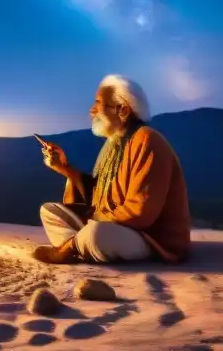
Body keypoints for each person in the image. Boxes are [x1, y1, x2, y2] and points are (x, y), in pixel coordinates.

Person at [32, 74, 191, 265]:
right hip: (113, 227)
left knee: (97, 234)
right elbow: (98, 196)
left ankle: (72, 247)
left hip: (148, 238)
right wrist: (64, 168)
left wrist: (96, 219)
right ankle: (82, 244)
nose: (92, 110)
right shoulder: (111, 144)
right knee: (49, 211)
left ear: (122, 110)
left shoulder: (148, 141)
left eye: (98, 103)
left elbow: (141, 213)